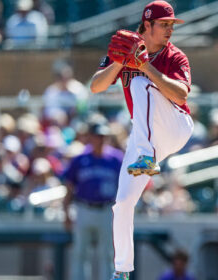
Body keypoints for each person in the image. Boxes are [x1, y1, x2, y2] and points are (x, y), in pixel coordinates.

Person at [90, 1, 194, 279]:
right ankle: (122, 270)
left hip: (175, 126)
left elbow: (181, 96)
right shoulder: (128, 48)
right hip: (143, 135)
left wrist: (145, 67)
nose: (170, 29)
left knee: (139, 82)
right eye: (164, 24)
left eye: (172, 24)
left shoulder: (175, 56)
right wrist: (119, 63)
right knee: (122, 202)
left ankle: (147, 157)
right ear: (147, 25)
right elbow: (96, 86)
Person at [62, 120, 123, 280]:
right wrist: (66, 213)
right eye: (97, 136)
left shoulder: (116, 159)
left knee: (107, 254)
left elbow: (125, 188)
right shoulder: (79, 159)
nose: (100, 139)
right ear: (90, 137)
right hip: (84, 208)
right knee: (80, 253)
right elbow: (69, 187)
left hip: (107, 209)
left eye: (103, 136)